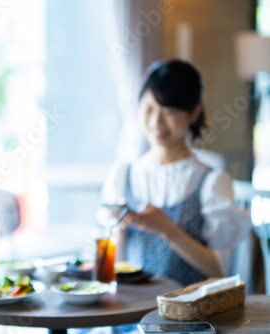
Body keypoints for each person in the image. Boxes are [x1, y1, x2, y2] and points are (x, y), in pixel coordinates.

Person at [99, 60, 251, 287]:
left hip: (187, 318)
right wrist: (120, 229)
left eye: (169, 111)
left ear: (194, 112)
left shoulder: (211, 182)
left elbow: (219, 270)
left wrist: (166, 229)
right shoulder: (124, 175)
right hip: (129, 316)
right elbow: (113, 268)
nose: (156, 121)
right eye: (148, 108)